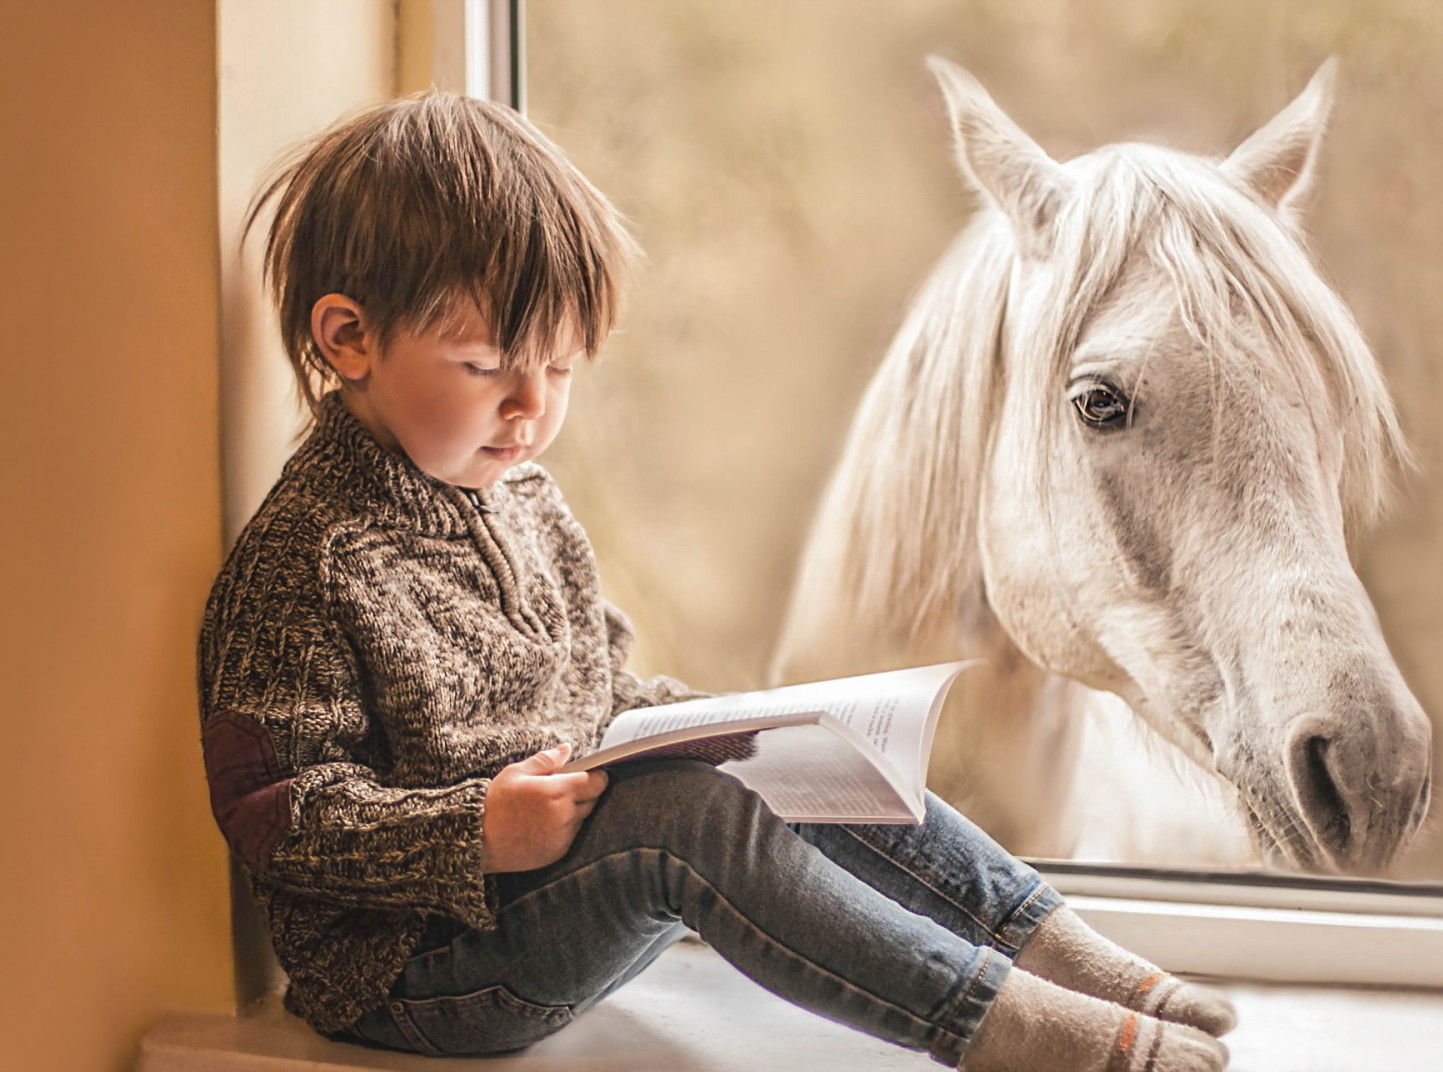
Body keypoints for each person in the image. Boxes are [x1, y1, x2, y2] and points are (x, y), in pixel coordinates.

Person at [199, 92, 1235, 1072]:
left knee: (804, 757)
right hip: (420, 973)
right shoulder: (305, 558)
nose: (530, 409)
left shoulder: (524, 502)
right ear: (349, 338)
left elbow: (600, 694)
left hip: (555, 904)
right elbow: (273, 811)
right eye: (487, 368)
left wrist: (753, 733)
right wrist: (473, 830)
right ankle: (1002, 1025)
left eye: (559, 370)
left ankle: (1060, 951)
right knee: (688, 823)